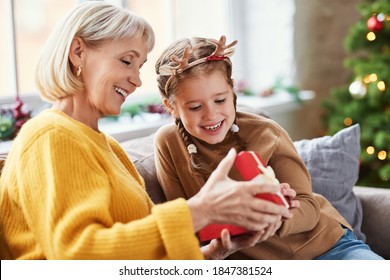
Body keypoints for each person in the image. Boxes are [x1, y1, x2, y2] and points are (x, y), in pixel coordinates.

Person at [0, 2, 293, 260]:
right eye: (127, 61)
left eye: (139, 66)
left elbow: (130, 256)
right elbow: (76, 254)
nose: (137, 81)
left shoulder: (106, 146)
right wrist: (201, 210)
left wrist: (215, 253)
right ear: (78, 52)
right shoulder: (51, 135)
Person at [154, 35, 384, 260]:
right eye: (195, 107)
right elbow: (185, 221)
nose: (211, 115)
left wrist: (275, 214)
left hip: (327, 247)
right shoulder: (168, 143)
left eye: (220, 100)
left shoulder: (266, 132)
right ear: (171, 106)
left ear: (232, 90)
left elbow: (309, 208)